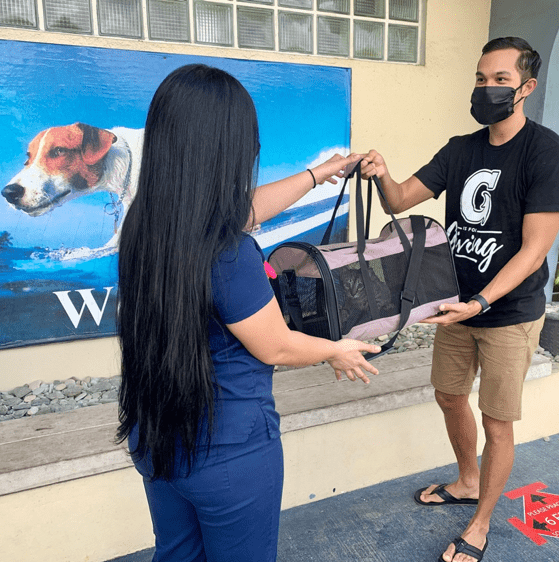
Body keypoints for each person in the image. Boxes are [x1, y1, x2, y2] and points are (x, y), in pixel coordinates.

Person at [116, 64, 380, 562]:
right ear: (229, 150)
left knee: (177, 553)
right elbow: (276, 345)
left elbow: (240, 208)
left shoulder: (146, 227)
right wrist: (336, 350)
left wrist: (322, 174)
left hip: (155, 439)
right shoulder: (231, 254)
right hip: (229, 453)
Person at [359, 37, 559, 562]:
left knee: (497, 422)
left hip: (507, 314)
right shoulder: (460, 149)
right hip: (453, 306)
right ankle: (467, 480)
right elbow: (401, 200)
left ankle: (479, 526)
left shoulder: (548, 155)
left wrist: (479, 303)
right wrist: (382, 170)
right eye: (481, 78)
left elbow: (532, 252)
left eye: (500, 80)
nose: (487, 88)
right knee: (449, 395)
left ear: (527, 87)